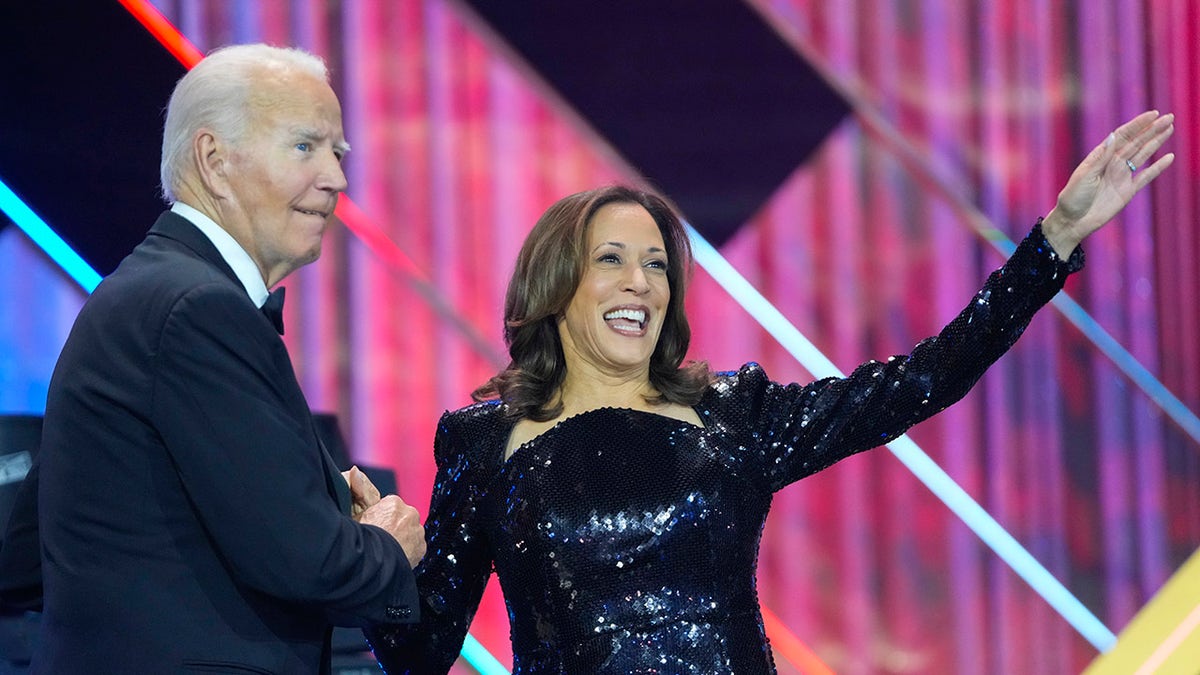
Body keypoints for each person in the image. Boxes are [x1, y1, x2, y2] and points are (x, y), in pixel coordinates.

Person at [365, 111, 1175, 674]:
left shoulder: (733, 416)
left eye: (656, 265)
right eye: (611, 258)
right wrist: (382, 562)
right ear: (556, 282)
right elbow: (419, 652)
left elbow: (924, 378)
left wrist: (1053, 242)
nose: (640, 282)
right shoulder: (483, 441)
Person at [0, 43, 426, 673]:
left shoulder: (150, 291)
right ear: (214, 160)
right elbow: (306, 563)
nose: (336, 178)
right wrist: (385, 546)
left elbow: (28, 554)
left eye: (337, 153)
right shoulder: (196, 308)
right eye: (306, 147)